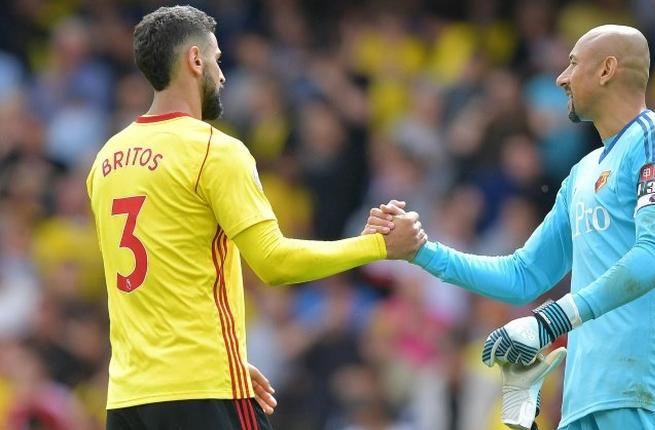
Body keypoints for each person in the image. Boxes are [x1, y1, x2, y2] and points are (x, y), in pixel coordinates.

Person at [86, 6, 425, 430]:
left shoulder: (107, 160)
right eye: (217, 59)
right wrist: (379, 245)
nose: (222, 74)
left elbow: (150, 279)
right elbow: (274, 262)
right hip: (203, 388)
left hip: (130, 397)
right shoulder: (214, 150)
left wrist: (219, 360)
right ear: (195, 60)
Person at [368, 25, 655, 430]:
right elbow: (523, 275)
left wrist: (550, 320)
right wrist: (421, 252)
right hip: (585, 396)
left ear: (606, 70)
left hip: (651, 388)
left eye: (572, 64)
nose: (560, 78)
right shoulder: (583, 173)